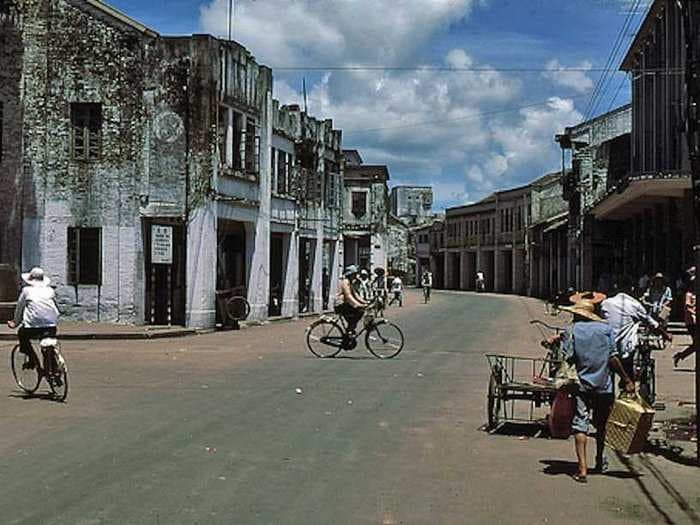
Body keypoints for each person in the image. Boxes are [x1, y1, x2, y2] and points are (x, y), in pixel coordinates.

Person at [558, 300, 635, 483]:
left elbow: (567, 357)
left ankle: (582, 469)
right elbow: (613, 358)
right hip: (604, 386)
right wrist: (626, 379)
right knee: (602, 425)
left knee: (580, 424)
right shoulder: (606, 329)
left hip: (581, 386)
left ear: (578, 314)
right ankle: (599, 460)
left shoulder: (572, 330)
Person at [600, 276, 671, 384]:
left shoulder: (606, 303)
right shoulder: (634, 304)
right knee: (628, 375)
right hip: (624, 348)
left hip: (605, 347)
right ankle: (629, 387)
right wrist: (665, 334)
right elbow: (651, 322)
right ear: (631, 288)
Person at [7, 268, 60, 366]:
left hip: (32, 327)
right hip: (51, 325)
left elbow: (20, 308)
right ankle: (53, 367)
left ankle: (32, 360)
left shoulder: (26, 291)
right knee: (47, 342)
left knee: (22, 334)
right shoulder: (50, 290)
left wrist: (15, 322)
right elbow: (55, 308)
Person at [334, 265, 368, 338]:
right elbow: (348, 296)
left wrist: (365, 302)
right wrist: (357, 304)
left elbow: (355, 295)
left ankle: (350, 329)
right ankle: (349, 330)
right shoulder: (345, 282)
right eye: (354, 274)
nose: (356, 276)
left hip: (346, 304)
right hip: (340, 305)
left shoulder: (350, 282)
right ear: (351, 274)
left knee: (358, 313)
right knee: (359, 311)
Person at [673, 267, 696, 367]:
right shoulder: (689, 294)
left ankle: (680, 356)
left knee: (697, 344)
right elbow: (687, 307)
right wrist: (694, 314)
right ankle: (680, 356)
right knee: (697, 344)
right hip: (692, 322)